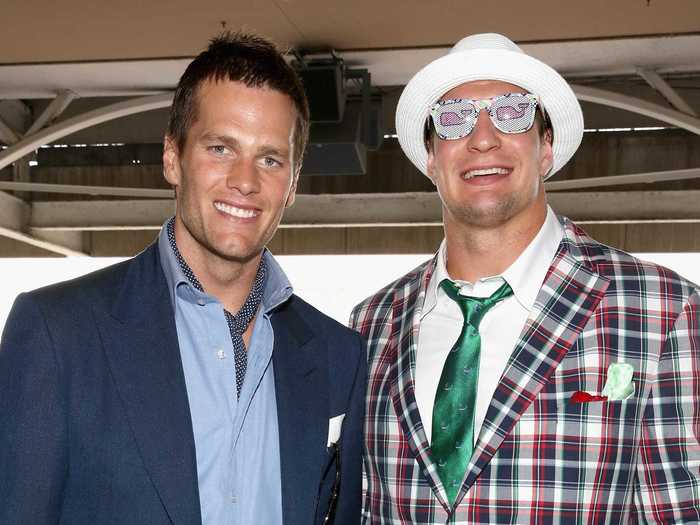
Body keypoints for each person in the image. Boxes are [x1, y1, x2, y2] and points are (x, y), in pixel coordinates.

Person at [0, 32, 365, 525]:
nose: (245, 180)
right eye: (220, 148)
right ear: (172, 157)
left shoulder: (336, 355)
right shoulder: (57, 333)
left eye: (270, 159)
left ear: (294, 183)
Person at [350, 33, 700, 523]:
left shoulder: (662, 309)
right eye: (454, 120)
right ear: (431, 157)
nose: (483, 137)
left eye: (513, 112)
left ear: (547, 148)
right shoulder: (371, 324)